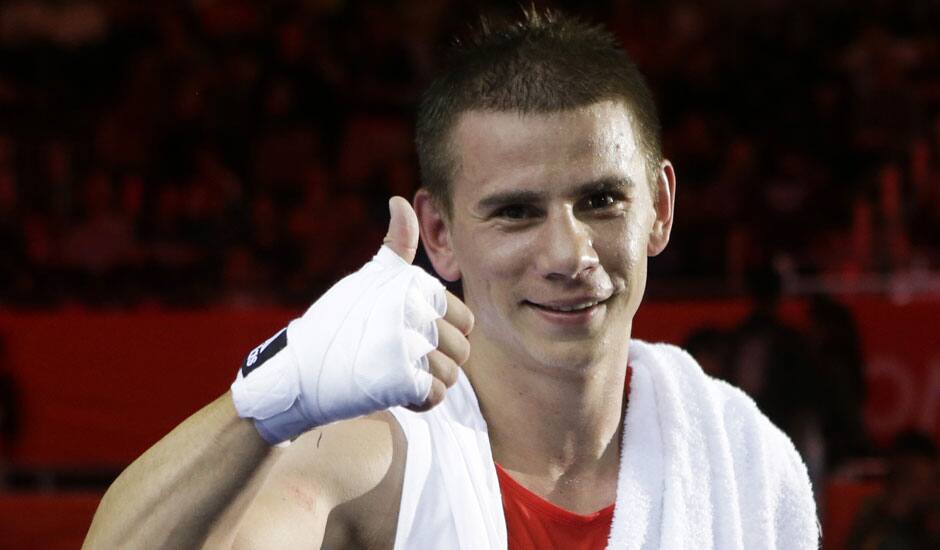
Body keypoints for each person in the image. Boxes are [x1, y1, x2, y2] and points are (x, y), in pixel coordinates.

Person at [84, 9, 818, 549]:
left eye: (600, 201)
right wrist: (269, 400)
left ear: (658, 207)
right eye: (516, 213)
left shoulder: (742, 458)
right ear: (439, 234)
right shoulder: (377, 457)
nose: (568, 254)